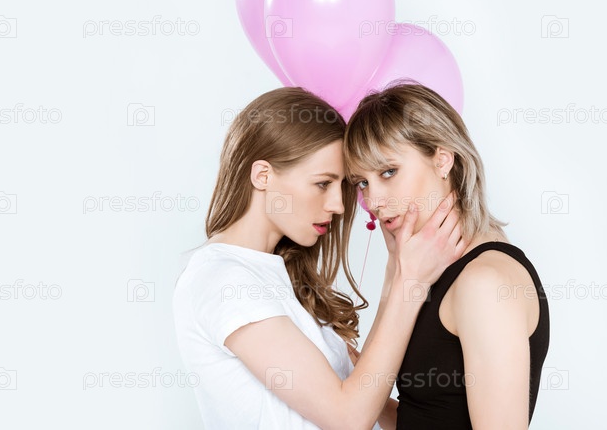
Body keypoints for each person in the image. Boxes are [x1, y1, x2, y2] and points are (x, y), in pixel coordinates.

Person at [173, 87, 470, 429]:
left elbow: (364, 397)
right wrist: (411, 283)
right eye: (322, 184)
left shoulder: (275, 277)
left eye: (344, 186)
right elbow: (348, 417)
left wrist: (395, 268)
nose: (339, 206)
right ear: (263, 175)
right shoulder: (223, 280)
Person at [344, 82, 551, 429]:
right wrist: (395, 270)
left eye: (388, 172)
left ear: (442, 160)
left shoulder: (485, 282)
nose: (373, 201)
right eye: (362, 183)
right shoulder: (428, 269)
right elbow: (424, 418)